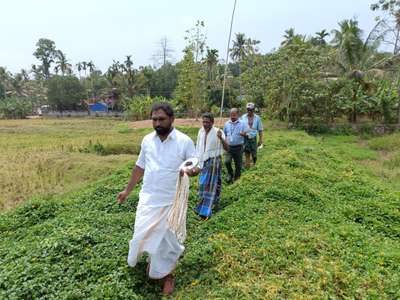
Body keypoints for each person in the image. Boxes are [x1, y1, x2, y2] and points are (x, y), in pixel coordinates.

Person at [116, 103, 198, 296]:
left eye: (161, 119)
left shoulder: (184, 141)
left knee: (166, 241)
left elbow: (194, 164)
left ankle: (168, 276)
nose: (157, 123)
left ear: (172, 119)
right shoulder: (147, 141)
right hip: (148, 199)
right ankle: (155, 265)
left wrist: (192, 171)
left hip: (171, 201)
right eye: (154, 119)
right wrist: (127, 191)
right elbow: (139, 167)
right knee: (141, 234)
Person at [195, 113, 228, 220]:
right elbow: (198, 147)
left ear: (212, 122)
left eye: (207, 122)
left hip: (214, 162)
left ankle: (205, 212)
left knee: (210, 187)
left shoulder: (218, 132)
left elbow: (227, 148)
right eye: (203, 122)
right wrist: (197, 161)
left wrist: (221, 139)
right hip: (203, 162)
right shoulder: (200, 131)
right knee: (203, 185)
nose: (205, 124)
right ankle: (205, 206)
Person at [223, 108, 247, 183]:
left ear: (238, 115)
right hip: (229, 147)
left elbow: (248, 133)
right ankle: (230, 174)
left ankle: (237, 178)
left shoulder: (243, 123)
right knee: (227, 161)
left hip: (239, 147)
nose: (232, 116)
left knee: (238, 165)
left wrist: (244, 134)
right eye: (231, 115)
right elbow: (224, 134)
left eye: (234, 115)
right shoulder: (226, 124)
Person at [241, 102, 264, 168]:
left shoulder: (257, 118)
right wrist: (242, 133)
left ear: (253, 110)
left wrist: (260, 140)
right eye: (248, 110)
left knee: (254, 155)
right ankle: (248, 167)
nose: (249, 111)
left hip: (253, 138)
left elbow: (260, 129)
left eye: (251, 110)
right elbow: (240, 127)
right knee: (247, 152)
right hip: (245, 138)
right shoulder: (243, 117)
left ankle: (254, 164)